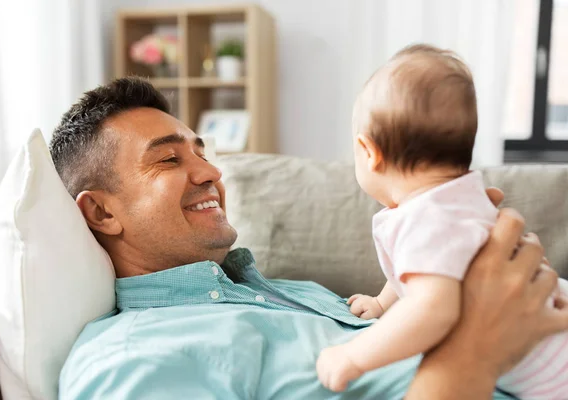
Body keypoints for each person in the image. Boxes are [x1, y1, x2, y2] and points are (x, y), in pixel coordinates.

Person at [51, 77, 568, 399]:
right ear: (101, 211)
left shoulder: (293, 293)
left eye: (202, 154)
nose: (210, 174)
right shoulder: (130, 359)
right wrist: (475, 354)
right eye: (168, 159)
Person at [315, 44, 568, 399]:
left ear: (370, 152)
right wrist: (382, 303)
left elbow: (433, 308)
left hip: (553, 369)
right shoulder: (454, 200)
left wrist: (355, 356)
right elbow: (422, 271)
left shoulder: (428, 218)